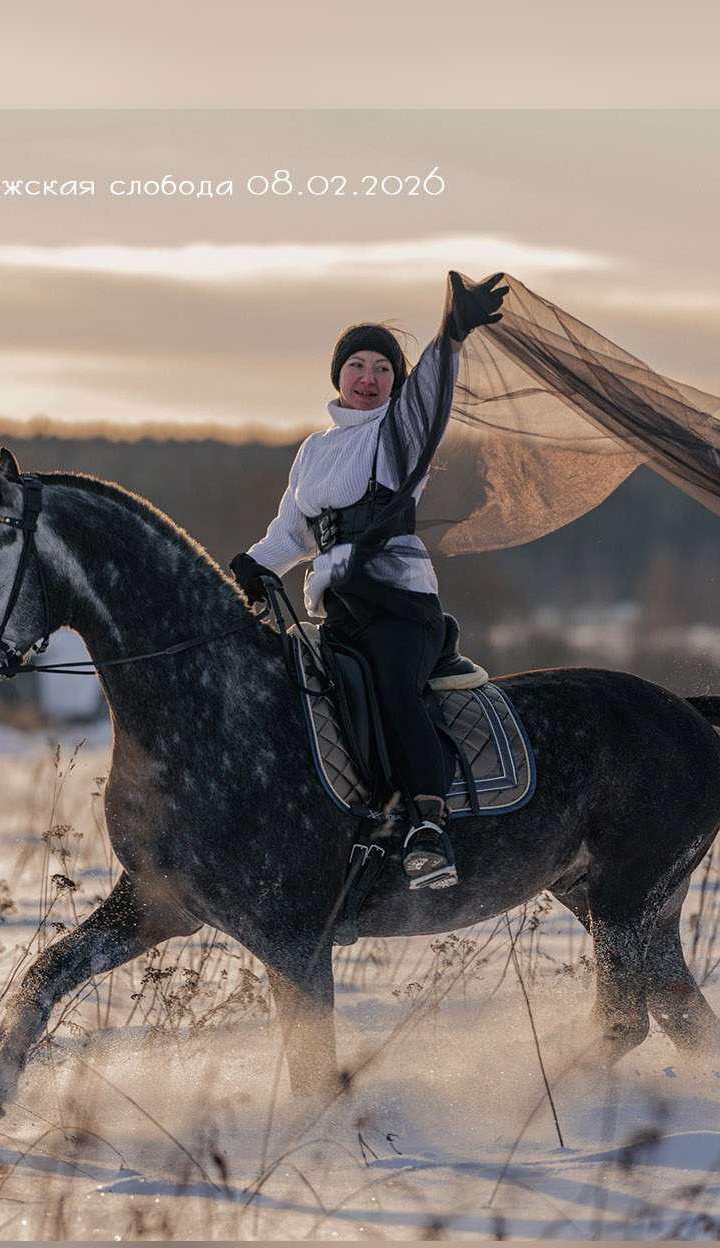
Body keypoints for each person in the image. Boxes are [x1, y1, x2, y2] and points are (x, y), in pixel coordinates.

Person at [231, 272, 508, 890]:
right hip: (338, 608)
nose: (368, 377)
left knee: (391, 687)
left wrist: (451, 336)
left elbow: (432, 389)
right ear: (337, 377)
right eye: (356, 364)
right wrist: (251, 567)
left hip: (399, 604)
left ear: (395, 382)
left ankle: (429, 824)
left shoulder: (401, 431)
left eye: (382, 368)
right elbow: (292, 535)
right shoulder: (313, 450)